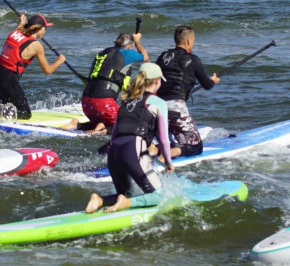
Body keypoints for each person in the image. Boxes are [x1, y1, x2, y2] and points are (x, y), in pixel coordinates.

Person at [85, 62, 174, 214]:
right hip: (132, 149)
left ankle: (100, 200)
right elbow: (164, 139)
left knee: (126, 193)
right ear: (157, 81)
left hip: (114, 152)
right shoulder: (158, 102)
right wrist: (168, 163)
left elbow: (113, 135)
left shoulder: (126, 102)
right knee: (158, 196)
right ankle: (125, 203)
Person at [154, 25, 219, 158]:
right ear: (189, 41)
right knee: (195, 147)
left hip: (156, 104)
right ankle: (166, 155)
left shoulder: (162, 57)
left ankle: (153, 151)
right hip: (176, 106)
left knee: (170, 138)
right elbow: (206, 85)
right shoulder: (193, 59)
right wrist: (213, 80)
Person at [0, 12, 66, 119]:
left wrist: (21, 22)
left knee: (11, 108)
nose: (45, 31)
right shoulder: (37, 46)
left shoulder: (15, 33)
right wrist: (60, 60)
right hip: (9, 81)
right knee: (25, 114)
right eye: (45, 28)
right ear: (39, 29)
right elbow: (47, 70)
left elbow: (21, 28)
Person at [76, 32, 148, 133]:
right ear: (130, 46)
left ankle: (77, 125)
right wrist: (138, 42)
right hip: (103, 103)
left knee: (104, 119)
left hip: (86, 103)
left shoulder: (103, 53)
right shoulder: (126, 53)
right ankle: (102, 130)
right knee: (128, 124)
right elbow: (145, 56)